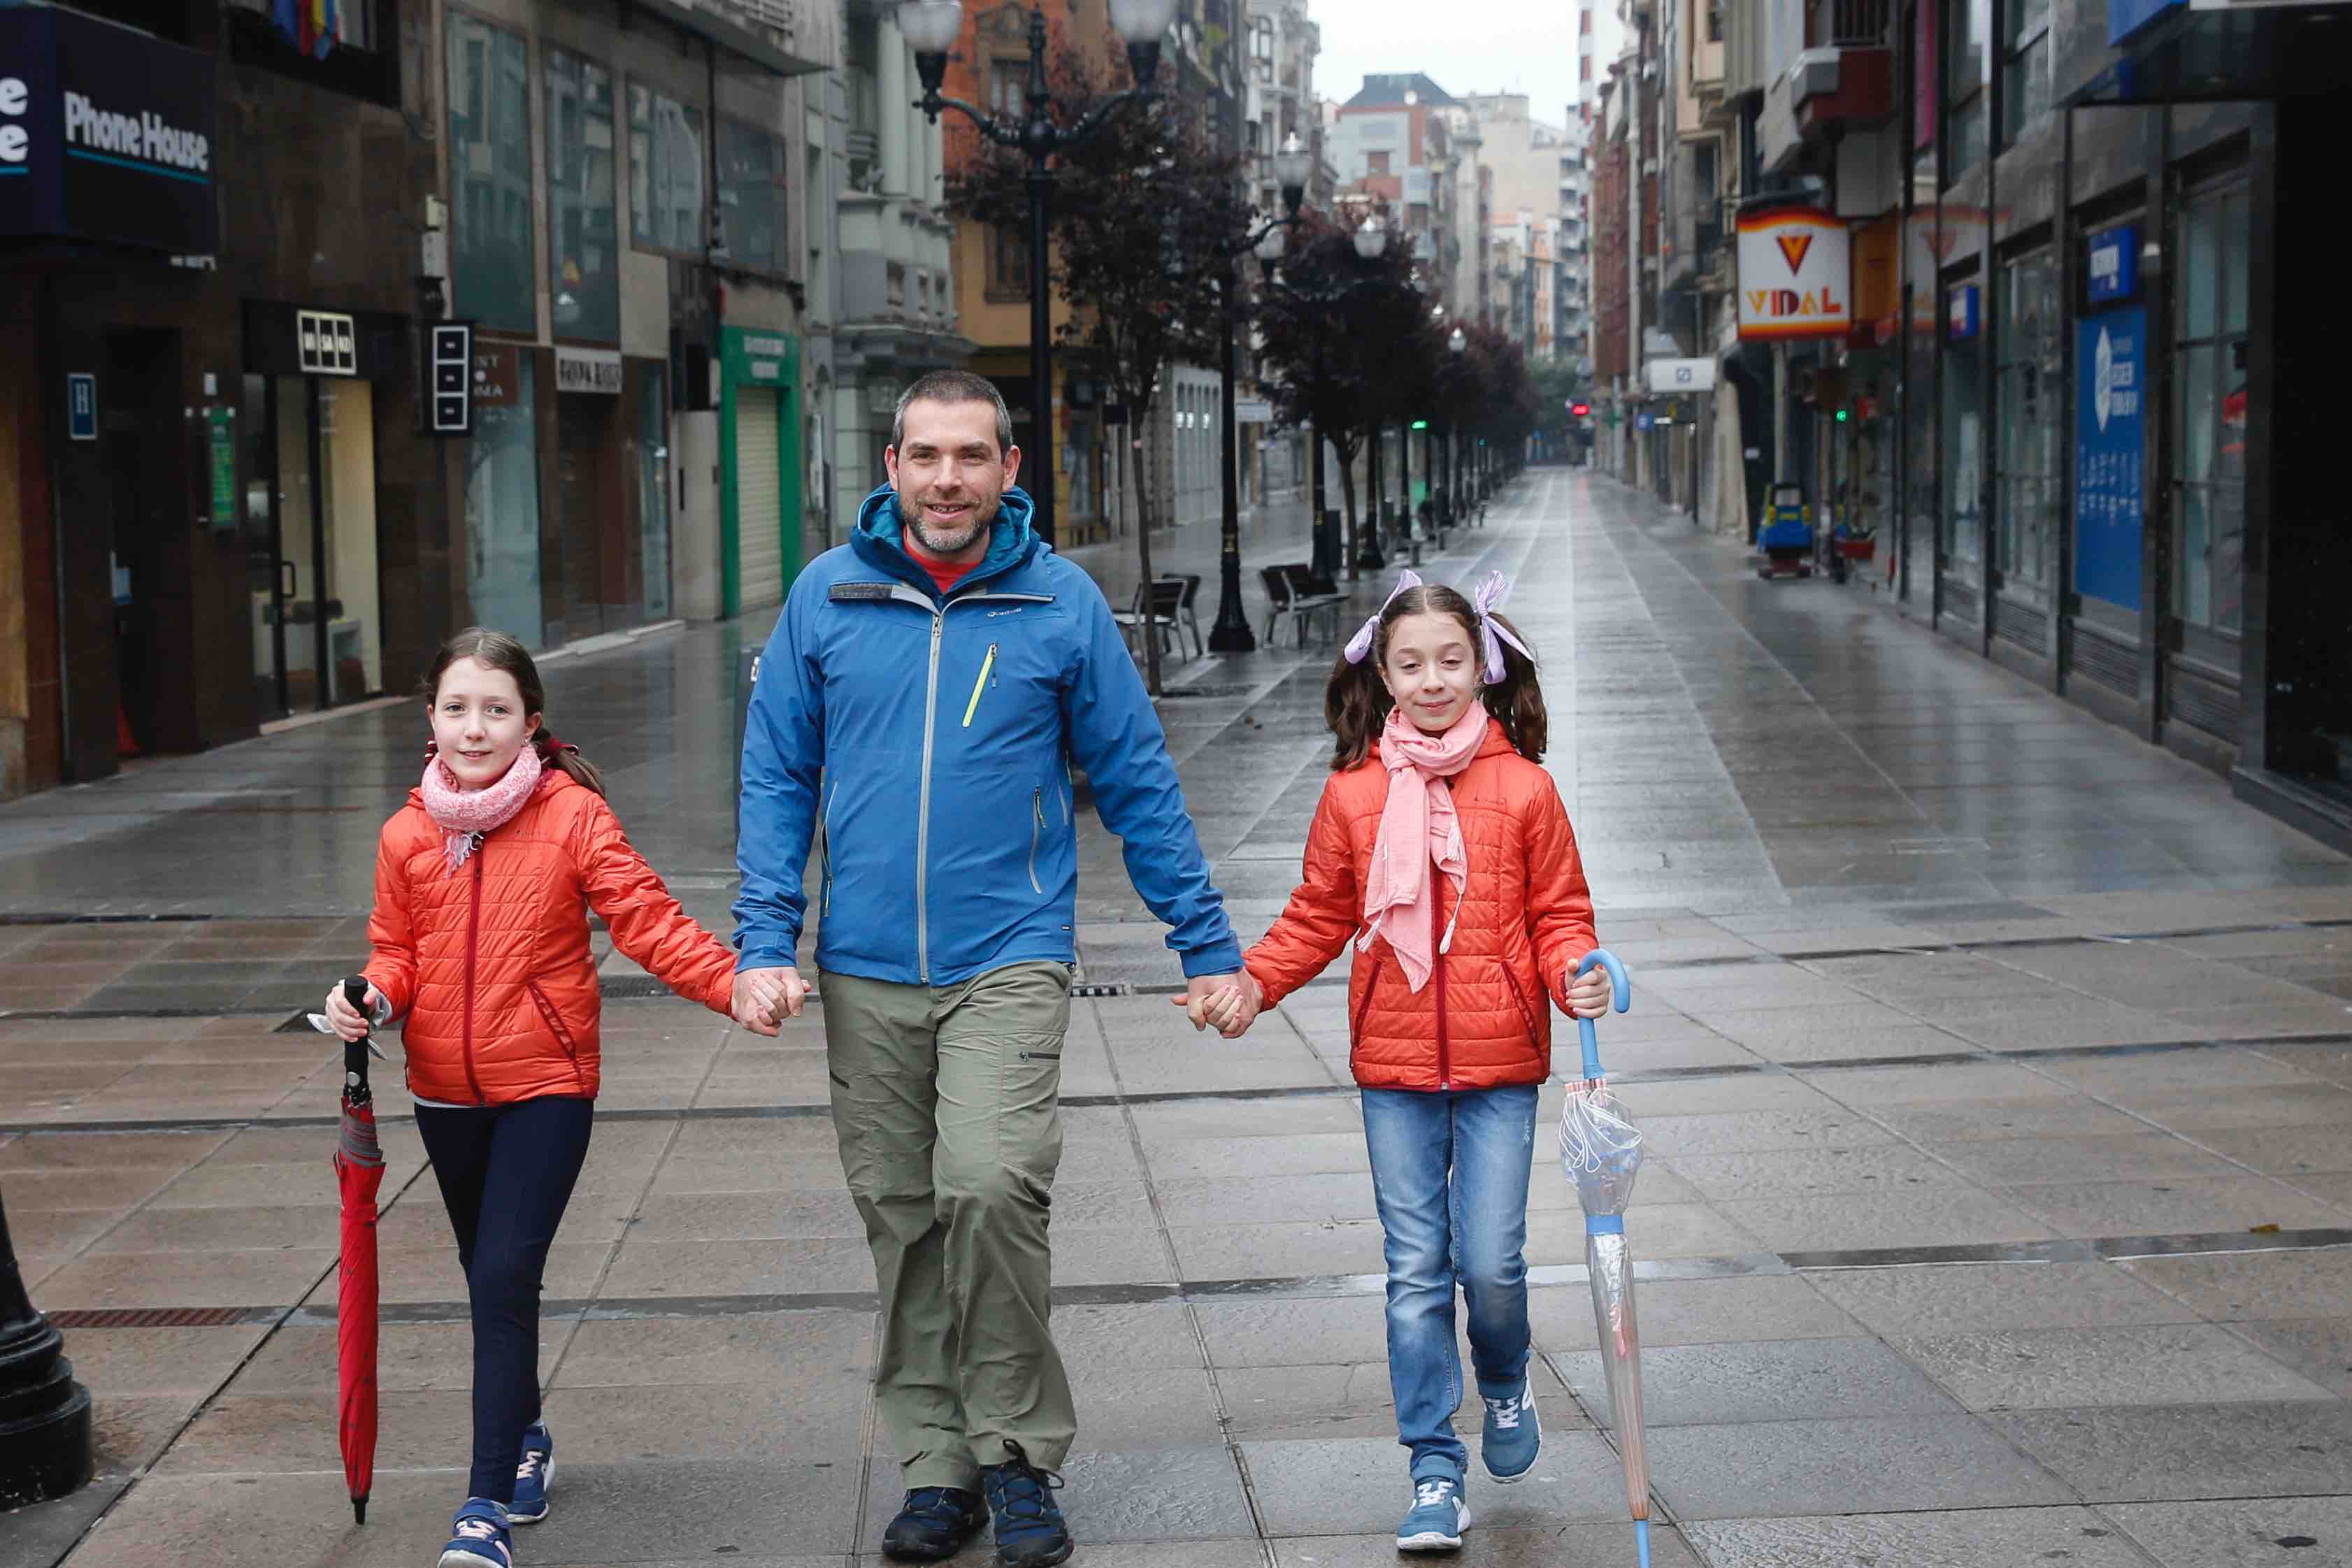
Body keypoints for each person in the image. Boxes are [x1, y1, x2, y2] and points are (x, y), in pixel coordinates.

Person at [733, 370, 1250, 1568]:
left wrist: (1207, 943)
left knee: (990, 1182)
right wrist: (766, 938)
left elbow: (1137, 781)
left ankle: (1017, 1456)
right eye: (925, 456)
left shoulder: (1059, 607)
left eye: (972, 456)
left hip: (1008, 954)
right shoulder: (828, 597)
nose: (947, 479)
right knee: (903, 1217)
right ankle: (935, 1463)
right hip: (862, 963)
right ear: (893, 465)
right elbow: (775, 782)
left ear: (1010, 469)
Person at [322, 628, 759, 1568]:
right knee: (492, 1278)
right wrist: (369, 996)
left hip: (547, 1085)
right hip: (443, 1089)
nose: (473, 729)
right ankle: (525, 1437)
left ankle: (480, 1511)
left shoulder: (573, 817)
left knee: (504, 1277)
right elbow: (394, 952)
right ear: (429, 718)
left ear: (531, 722)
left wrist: (733, 986)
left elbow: (647, 920)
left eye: (494, 710)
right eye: (455, 708)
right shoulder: (406, 834)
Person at [1197, 571, 1606, 1553]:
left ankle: (1504, 1385)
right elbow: (1321, 913)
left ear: (1485, 667)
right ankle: (1433, 1471)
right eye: (1410, 663)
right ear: (1380, 674)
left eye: (1451, 662)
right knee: (1416, 1271)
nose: (1432, 680)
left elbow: (1559, 912)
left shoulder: (1525, 787)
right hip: (1394, 1068)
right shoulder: (1353, 793)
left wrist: (1575, 972)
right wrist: (1253, 983)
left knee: (1492, 1264)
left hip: (1504, 1062)